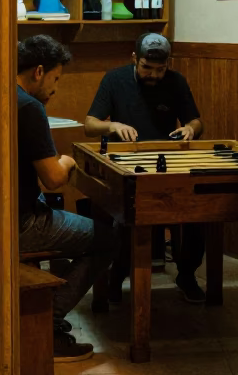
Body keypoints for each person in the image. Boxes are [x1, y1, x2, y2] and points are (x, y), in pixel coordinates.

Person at [84, 32, 207, 302]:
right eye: (146, 68)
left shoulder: (176, 81)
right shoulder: (115, 79)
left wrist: (189, 128)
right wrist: (112, 125)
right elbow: (90, 124)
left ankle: (186, 274)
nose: (153, 75)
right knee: (128, 215)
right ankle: (116, 277)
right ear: (134, 59)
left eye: (160, 69)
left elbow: (196, 122)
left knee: (201, 211)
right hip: (124, 162)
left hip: (167, 159)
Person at [17, 34, 118, 361]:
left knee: (60, 219)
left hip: (0, 214)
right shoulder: (29, 107)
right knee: (108, 240)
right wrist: (68, 160)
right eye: (55, 79)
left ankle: (43, 311)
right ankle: (50, 325)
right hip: (22, 224)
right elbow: (54, 178)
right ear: (39, 71)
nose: (55, 88)